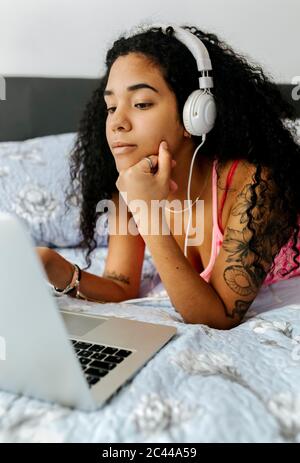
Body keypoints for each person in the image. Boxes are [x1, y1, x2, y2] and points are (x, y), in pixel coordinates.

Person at [36, 24, 300, 329]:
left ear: (196, 114)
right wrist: (53, 266)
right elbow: (121, 286)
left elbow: (218, 316)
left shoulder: (255, 185)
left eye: (141, 104)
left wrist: (147, 211)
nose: (117, 122)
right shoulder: (132, 183)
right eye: (110, 107)